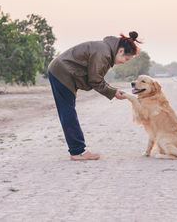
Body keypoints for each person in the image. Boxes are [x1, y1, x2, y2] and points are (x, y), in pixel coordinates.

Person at [47, 31, 142, 160]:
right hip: (62, 72)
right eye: (127, 58)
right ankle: (77, 151)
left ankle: (77, 150)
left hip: (63, 71)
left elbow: (95, 78)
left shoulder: (105, 50)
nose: (125, 62)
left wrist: (113, 91)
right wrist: (113, 92)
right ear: (120, 51)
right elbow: (95, 80)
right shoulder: (103, 53)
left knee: (68, 110)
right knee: (67, 111)